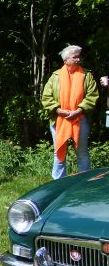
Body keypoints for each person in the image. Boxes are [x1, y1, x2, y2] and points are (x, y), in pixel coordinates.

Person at [41, 45, 98, 179]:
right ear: (66, 60)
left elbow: (92, 96)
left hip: (80, 119)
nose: (78, 59)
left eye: (79, 56)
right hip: (59, 120)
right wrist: (58, 110)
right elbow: (46, 97)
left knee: (82, 153)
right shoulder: (55, 76)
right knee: (59, 153)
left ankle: (84, 182)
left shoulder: (87, 75)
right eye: (75, 57)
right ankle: (58, 183)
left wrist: (79, 111)